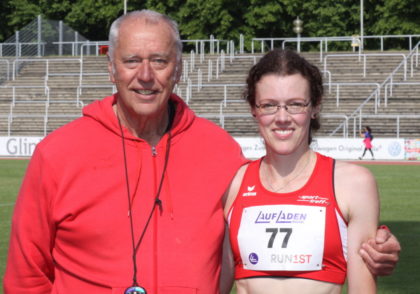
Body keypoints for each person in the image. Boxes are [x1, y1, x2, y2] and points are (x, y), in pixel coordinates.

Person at [3, 10, 400, 294]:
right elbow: (26, 276)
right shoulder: (57, 153)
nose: (145, 75)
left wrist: (374, 246)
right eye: (131, 61)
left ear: (178, 68)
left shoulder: (222, 154)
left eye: (159, 61)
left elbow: (278, 216)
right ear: (111, 68)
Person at [223, 49, 386, 293]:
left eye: (295, 105)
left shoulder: (353, 184)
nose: (282, 118)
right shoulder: (233, 183)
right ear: (253, 109)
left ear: (315, 106)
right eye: (269, 105)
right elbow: (217, 282)